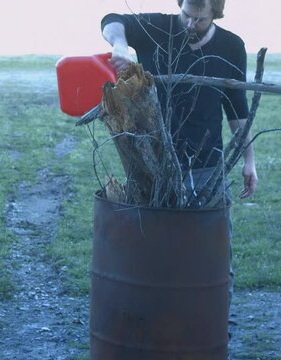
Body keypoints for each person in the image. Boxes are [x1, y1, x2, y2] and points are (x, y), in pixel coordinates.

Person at [101, 0, 257, 324]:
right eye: (185, 15)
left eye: (198, 20)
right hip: (151, 167)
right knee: (151, 253)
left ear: (215, 13)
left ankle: (210, 331)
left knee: (211, 257)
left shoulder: (231, 46)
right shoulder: (158, 28)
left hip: (207, 168)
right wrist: (119, 43)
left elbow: (238, 110)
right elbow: (112, 19)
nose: (188, 25)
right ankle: (154, 328)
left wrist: (249, 160)